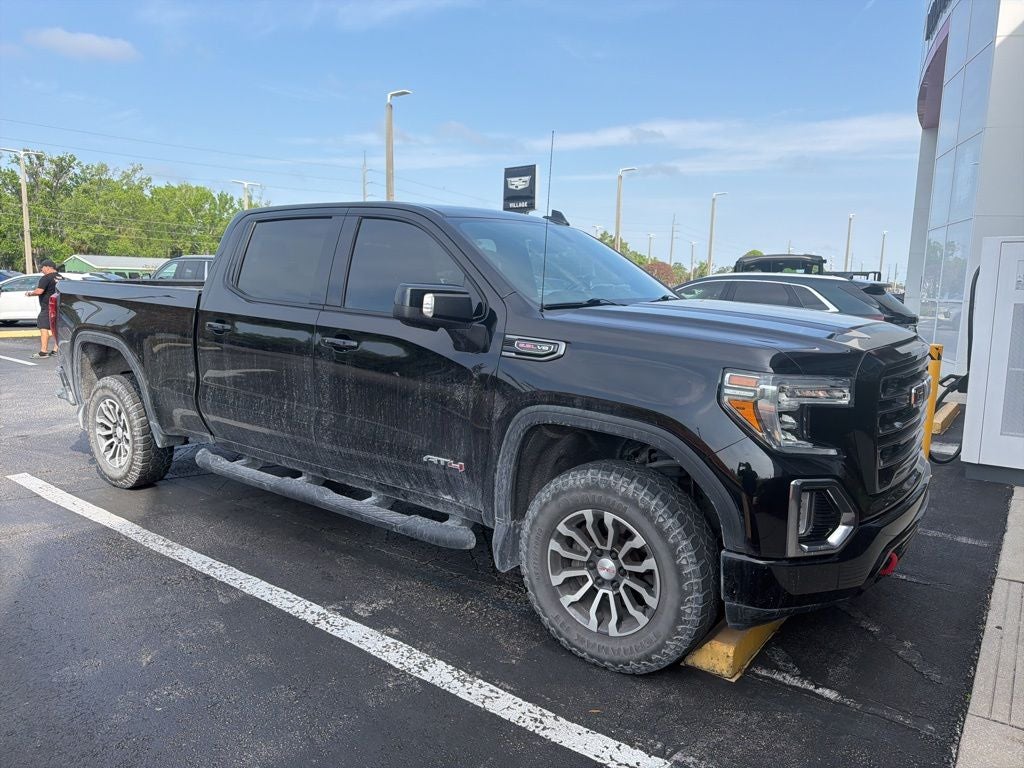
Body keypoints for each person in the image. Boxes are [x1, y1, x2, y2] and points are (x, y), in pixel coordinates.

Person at [25, 259, 60, 358]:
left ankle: (43, 352)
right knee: (57, 328)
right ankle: (56, 350)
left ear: (48, 267)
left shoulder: (46, 278)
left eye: (42, 268)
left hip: (48, 307)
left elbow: (39, 291)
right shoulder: (61, 277)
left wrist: (30, 293)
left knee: (43, 327)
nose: (41, 270)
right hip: (59, 306)